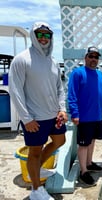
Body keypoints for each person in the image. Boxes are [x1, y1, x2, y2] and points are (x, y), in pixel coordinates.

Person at [9, 22, 67, 200]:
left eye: (46, 35)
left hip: (53, 115)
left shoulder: (53, 62)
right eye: (39, 34)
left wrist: (62, 109)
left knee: (60, 141)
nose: (43, 38)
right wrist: (26, 119)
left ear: (51, 38)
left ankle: (39, 168)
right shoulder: (22, 59)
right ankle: (36, 190)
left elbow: (59, 88)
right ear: (33, 36)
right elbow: (15, 90)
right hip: (34, 118)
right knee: (34, 152)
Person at [68, 46, 102, 186]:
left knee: (92, 140)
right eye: (90, 56)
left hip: (97, 117)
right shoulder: (77, 73)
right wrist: (74, 113)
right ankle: (83, 171)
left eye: (96, 57)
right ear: (85, 57)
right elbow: (72, 95)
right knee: (83, 144)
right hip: (84, 117)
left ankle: (89, 162)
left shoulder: (100, 75)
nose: (93, 59)